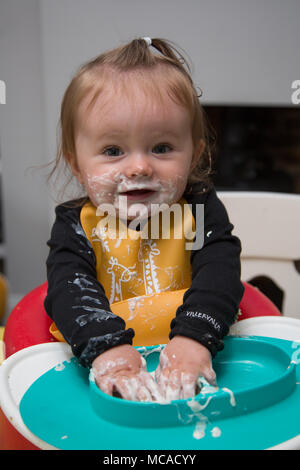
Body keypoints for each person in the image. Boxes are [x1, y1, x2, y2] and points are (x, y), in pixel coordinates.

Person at [44, 37, 244, 402]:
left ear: (194, 154)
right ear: (76, 163)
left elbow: (219, 273)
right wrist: (108, 351)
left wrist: (194, 339)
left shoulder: (197, 214)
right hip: (104, 352)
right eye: (113, 151)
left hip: (194, 343)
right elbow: (68, 291)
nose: (139, 166)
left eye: (162, 148)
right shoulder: (78, 227)